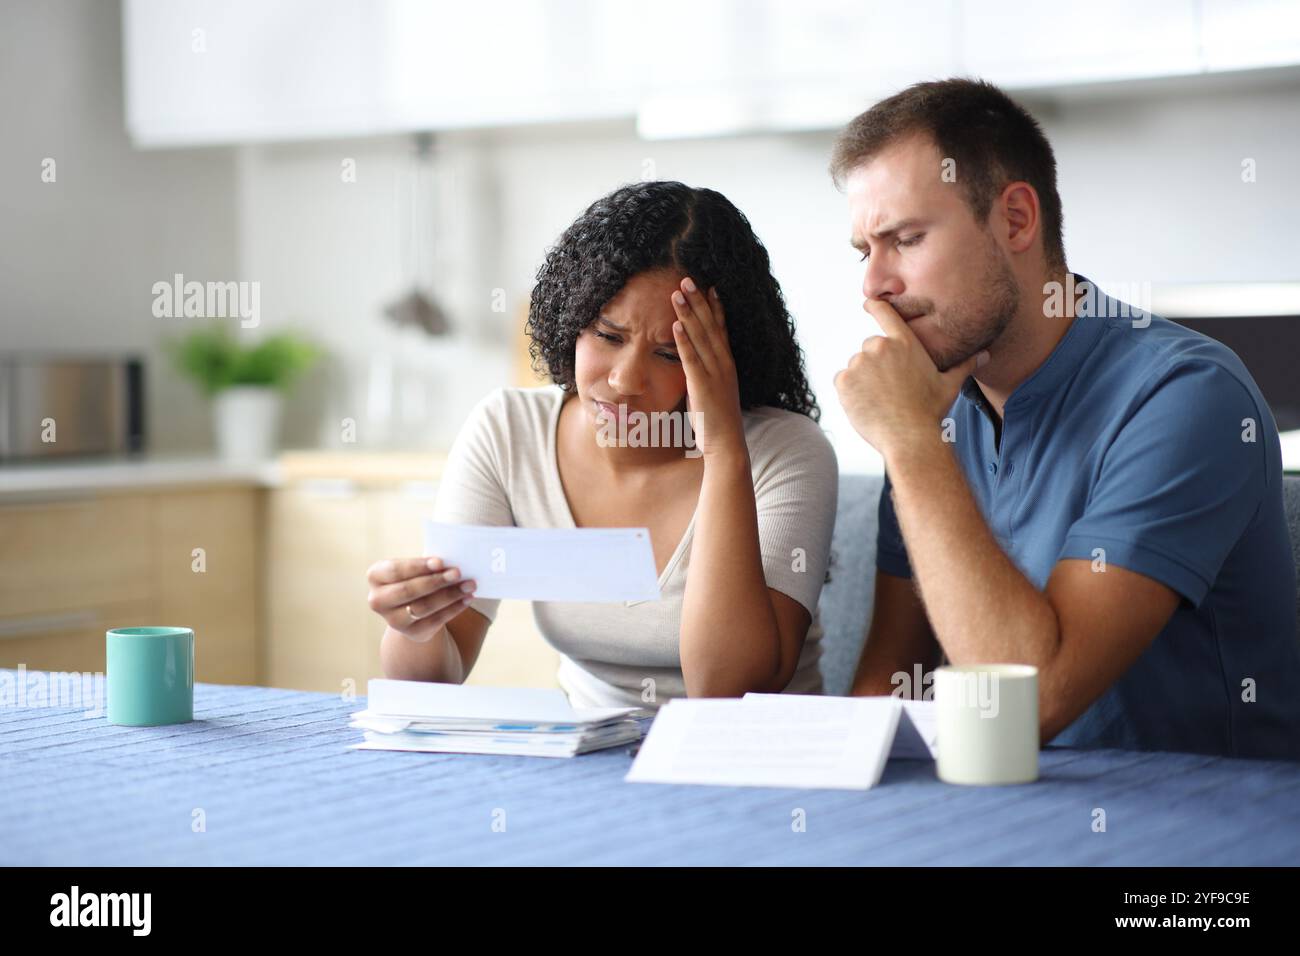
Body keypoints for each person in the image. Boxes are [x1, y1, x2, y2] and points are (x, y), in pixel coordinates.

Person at [833, 78, 1300, 759]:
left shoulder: (1187, 395)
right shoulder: (933, 408)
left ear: (1016, 220)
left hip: (1198, 823)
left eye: (904, 239)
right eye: (862, 251)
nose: (873, 285)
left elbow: (1030, 705)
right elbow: (890, 684)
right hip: (1000, 810)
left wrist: (908, 443)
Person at [367, 181, 837, 708]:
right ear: (571, 323)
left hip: (747, 764)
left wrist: (724, 448)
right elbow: (432, 685)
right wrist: (416, 625)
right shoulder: (507, 432)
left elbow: (726, 690)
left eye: (668, 354)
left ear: (726, 358)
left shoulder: (787, 451)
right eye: (608, 337)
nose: (624, 380)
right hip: (588, 760)